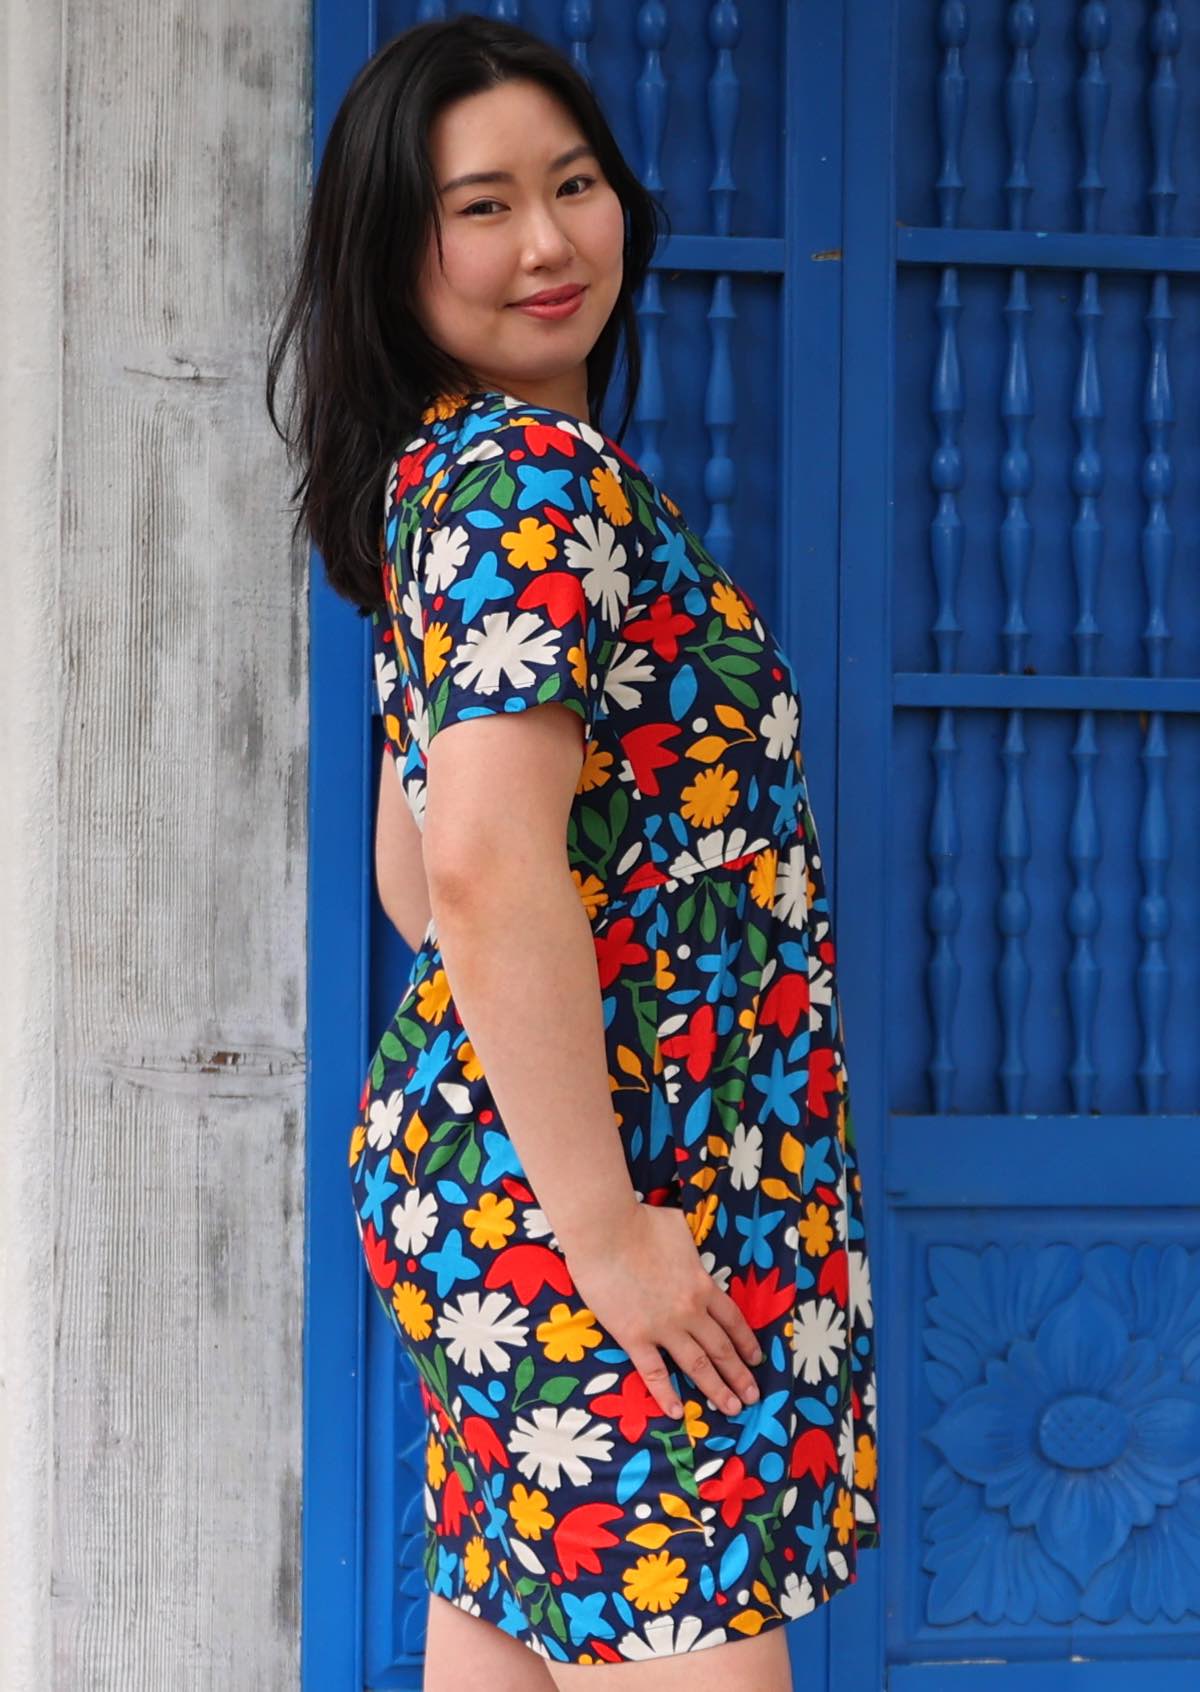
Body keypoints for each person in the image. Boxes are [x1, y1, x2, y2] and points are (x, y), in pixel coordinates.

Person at [268, 14, 880, 1689]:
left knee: (511, 1632)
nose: (546, 242)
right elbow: (466, 874)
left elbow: (423, 873)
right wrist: (604, 1228)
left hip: (526, 1175)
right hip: (599, 1186)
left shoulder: (451, 483)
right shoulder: (525, 486)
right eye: (479, 207)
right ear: (394, 255)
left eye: (575, 184)